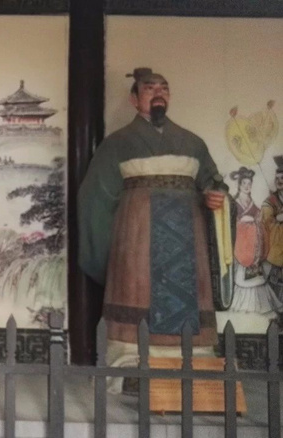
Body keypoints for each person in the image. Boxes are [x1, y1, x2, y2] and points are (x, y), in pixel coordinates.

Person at [78, 68, 227, 385]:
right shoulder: (117, 144)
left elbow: (213, 181)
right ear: (134, 99)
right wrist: (107, 253)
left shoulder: (193, 143)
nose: (158, 94)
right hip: (137, 237)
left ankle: (195, 360)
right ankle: (130, 363)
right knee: (137, 298)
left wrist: (215, 196)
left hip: (187, 237)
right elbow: (94, 198)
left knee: (189, 308)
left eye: (164, 89)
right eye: (149, 89)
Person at [231, 167, 283, 314]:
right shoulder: (234, 203)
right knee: (243, 275)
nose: (247, 186)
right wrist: (243, 223)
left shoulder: (252, 202)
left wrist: (257, 222)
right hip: (242, 244)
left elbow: (261, 219)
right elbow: (232, 223)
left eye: (249, 183)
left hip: (254, 244)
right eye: (244, 183)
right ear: (239, 185)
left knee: (259, 278)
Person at [262, 157, 283, 304]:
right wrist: (278, 219)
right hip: (277, 250)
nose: (280, 181)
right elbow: (266, 223)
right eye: (277, 178)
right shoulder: (270, 201)